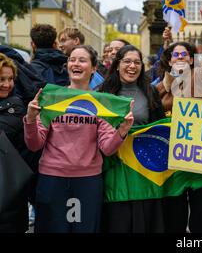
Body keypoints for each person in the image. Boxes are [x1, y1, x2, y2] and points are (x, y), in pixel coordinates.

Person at [23, 45, 134, 233]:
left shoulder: (100, 103)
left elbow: (107, 148)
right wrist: (31, 120)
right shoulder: (52, 98)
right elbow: (34, 144)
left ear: (93, 68)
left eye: (82, 60)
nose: (76, 63)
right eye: (72, 59)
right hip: (52, 179)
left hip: (87, 181)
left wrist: (122, 131)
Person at [156, 1, 202, 233]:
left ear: (192, 59)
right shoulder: (159, 88)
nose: (180, 57)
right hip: (170, 157)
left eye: (185, 54)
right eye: (176, 55)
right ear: (169, 60)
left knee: (201, 208)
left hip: (196, 154)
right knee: (173, 209)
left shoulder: (200, 77)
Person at [100, 45, 166, 233]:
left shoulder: (150, 92)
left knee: (143, 217)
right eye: (127, 61)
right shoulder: (103, 92)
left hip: (143, 168)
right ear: (117, 64)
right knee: (118, 217)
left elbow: (160, 127)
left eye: (137, 62)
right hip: (114, 166)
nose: (132, 66)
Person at [0, 53, 29, 233]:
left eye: (10, 79)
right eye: (2, 79)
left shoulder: (15, 106)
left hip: (8, 191)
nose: (7, 84)